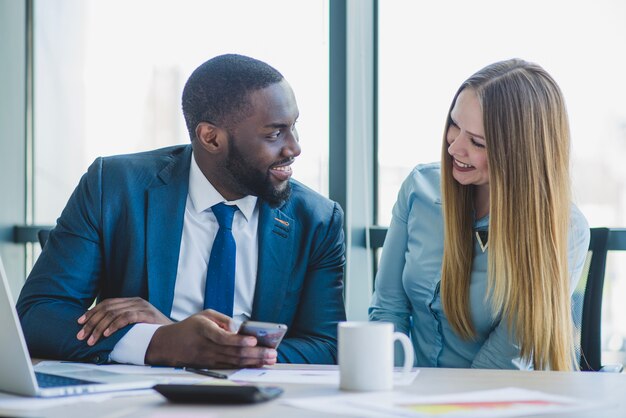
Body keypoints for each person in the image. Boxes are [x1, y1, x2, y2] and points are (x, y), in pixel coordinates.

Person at [17, 54, 346, 368]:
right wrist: (160, 341)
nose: (294, 147)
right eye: (275, 133)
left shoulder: (316, 218)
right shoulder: (114, 187)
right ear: (211, 138)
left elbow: (328, 345)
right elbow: (38, 315)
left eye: (294, 127)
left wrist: (211, 347)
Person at [369, 59, 589, 371]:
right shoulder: (420, 188)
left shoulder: (564, 229)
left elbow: (505, 358)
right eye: (454, 126)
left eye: (477, 142)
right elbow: (387, 308)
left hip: (494, 398)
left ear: (520, 154)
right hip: (411, 395)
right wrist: (391, 385)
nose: (454, 148)